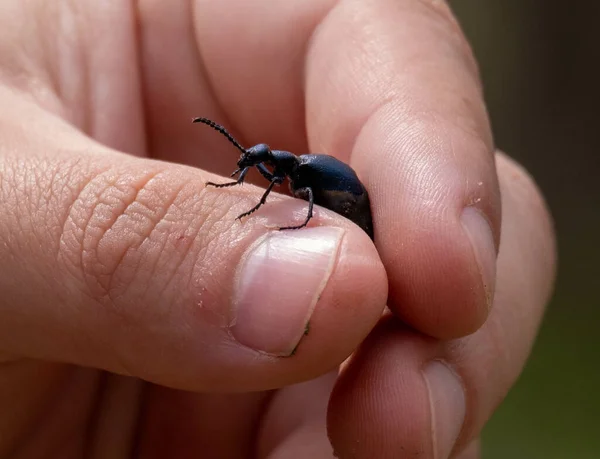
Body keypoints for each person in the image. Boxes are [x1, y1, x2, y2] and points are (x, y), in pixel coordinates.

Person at [0, 1, 556, 458]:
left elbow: (320, 198)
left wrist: (295, 218)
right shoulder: (286, 170)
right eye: (250, 162)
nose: (250, 167)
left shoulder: (301, 174)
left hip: (350, 205)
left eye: (253, 161)